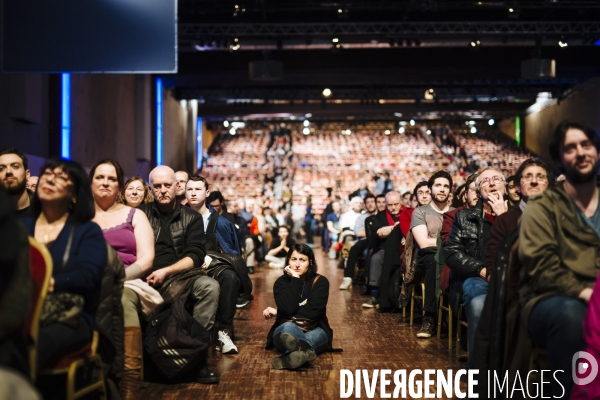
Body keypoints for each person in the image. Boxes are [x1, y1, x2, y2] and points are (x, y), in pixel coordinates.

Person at [519, 121, 600, 398]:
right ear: (560, 160)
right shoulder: (543, 207)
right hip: (554, 297)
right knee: (573, 317)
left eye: (586, 145)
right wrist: (587, 293)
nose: (580, 153)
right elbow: (542, 267)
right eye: (570, 148)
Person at [21, 158, 107, 370]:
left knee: (24, 348)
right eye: (47, 174)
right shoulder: (21, 227)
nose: (50, 179)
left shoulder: (86, 231)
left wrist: (49, 283)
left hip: (69, 317)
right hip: (22, 310)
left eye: (61, 177)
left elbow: (88, 276)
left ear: (75, 194)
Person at [138, 165, 220, 383]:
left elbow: (195, 254)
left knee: (210, 287)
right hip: (145, 274)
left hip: (182, 276)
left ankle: (197, 359)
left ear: (177, 187)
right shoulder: (141, 214)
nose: (163, 190)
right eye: (157, 186)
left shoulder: (190, 217)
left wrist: (166, 271)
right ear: (151, 188)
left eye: (168, 185)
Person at [88, 159, 155, 398]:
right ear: (91, 182)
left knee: (124, 299)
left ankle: (130, 381)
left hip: (127, 280)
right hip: (89, 280)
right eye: (100, 177)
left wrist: (116, 279)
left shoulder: (134, 215)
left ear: (119, 185)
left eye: (112, 178)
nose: (105, 182)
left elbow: (146, 259)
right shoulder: (80, 216)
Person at [444, 167, 507, 367]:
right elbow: (452, 253)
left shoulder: (521, 215)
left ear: (505, 187)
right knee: (479, 303)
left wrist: (503, 219)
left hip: (514, 278)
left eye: (496, 179)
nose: (491, 182)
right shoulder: (464, 218)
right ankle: (479, 378)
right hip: (478, 278)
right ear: (479, 192)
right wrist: (481, 270)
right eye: (485, 181)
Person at [186, 175, 241, 354]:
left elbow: (234, 255)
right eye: (190, 189)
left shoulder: (221, 223)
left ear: (206, 192)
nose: (193, 193)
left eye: (198, 189)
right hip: (185, 267)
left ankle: (223, 332)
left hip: (214, 266)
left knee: (230, 277)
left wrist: (213, 258)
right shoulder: (177, 217)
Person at [264, 244, 334, 369]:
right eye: (293, 259)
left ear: (310, 262)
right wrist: (295, 279)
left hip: (314, 329)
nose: (297, 264)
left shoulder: (320, 282)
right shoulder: (281, 282)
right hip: (284, 330)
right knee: (288, 327)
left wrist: (279, 312)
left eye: (302, 260)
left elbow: (313, 311)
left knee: (320, 333)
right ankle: (303, 352)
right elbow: (288, 308)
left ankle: (289, 358)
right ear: (288, 261)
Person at [410, 171, 453, 337]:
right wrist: (449, 242)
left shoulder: (457, 212)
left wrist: (434, 239)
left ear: (450, 191)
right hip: (427, 257)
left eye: (446, 186)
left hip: (451, 255)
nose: (442, 189)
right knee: (433, 260)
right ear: (431, 189)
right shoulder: (420, 212)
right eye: (438, 185)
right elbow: (423, 242)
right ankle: (429, 317)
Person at [340, 193, 378, 290]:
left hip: (377, 240)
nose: (370, 204)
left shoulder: (380, 215)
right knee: (354, 248)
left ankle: (370, 280)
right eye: (367, 202)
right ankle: (348, 278)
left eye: (372, 202)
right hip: (364, 240)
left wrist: (370, 232)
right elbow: (359, 233)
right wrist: (373, 232)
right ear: (364, 205)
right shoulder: (361, 217)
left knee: (368, 252)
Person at [0, 147, 32, 216]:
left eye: (15, 166)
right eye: (1, 169)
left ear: (27, 174)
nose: (8, 172)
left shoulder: (46, 209)